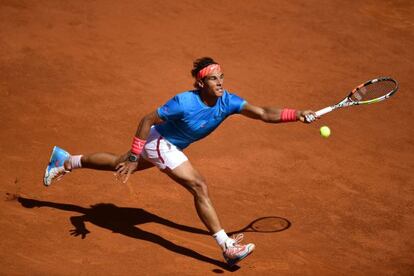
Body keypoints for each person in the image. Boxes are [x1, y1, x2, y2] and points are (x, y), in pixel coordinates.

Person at [43, 57, 317, 267]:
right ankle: (226, 246)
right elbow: (147, 119)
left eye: (221, 77)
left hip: (169, 144)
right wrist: (136, 152)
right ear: (201, 84)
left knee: (118, 161)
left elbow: (263, 112)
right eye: (213, 79)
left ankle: (67, 160)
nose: (220, 83)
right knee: (198, 185)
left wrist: (297, 114)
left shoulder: (228, 101)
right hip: (160, 142)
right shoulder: (183, 103)